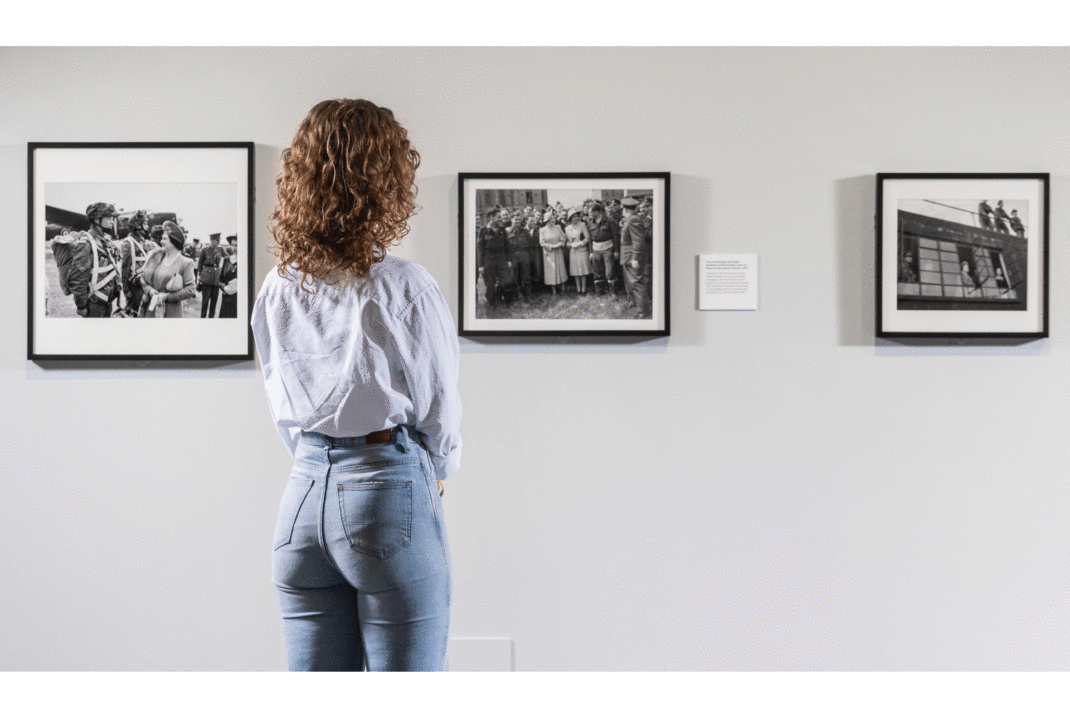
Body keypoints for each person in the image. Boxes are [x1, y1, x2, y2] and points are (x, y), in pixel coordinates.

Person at [252, 98, 459, 672]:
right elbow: (436, 403)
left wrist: (317, 458)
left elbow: (280, 395)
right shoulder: (404, 285)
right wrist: (438, 468)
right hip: (384, 488)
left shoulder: (278, 286)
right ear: (387, 180)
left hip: (301, 497)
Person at [62, 202, 124, 318]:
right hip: (94, 306)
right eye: (109, 218)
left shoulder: (103, 241)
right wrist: (81, 306)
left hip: (106, 303)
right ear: (96, 219)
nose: (112, 221)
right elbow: (78, 279)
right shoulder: (86, 243)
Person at [139, 221, 197, 318]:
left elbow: (190, 289)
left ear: (174, 243)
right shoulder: (156, 257)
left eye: (165, 239)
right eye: (161, 238)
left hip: (171, 313)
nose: (161, 241)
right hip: (151, 310)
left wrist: (167, 297)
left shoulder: (186, 263)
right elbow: (143, 278)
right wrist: (150, 291)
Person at [619, 197, 651, 318]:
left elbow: (638, 241)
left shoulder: (633, 220)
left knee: (637, 283)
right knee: (631, 283)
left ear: (625, 209)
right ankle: (636, 306)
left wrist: (635, 258)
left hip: (632, 256)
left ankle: (643, 310)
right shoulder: (631, 219)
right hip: (628, 255)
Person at [476, 209, 514, 307]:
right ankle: (492, 303)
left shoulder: (502, 230)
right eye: (498, 217)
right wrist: (480, 265)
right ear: (491, 217)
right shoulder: (483, 230)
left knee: (507, 281)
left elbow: (507, 246)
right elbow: (479, 248)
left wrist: (509, 260)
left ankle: (508, 303)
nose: (500, 219)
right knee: (490, 283)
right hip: (489, 259)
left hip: (501, 258)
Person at [120, 210, 151, 317]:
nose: (147, 226)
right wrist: (126, 290)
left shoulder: (143, 242)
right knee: (134, 315)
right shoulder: (128, 243)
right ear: (137, 225)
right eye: (145, 223)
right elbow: (124, 269)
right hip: (134, 288)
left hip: (144, 286)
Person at [586, 202, 619, 296]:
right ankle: (600, 291)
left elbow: (615, 236)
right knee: (597, 271)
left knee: (610, 270)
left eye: (591, 212)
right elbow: (590, 239)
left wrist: (616, 251)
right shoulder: (590, 223)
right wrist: (591, 252)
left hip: (608, 248)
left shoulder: (609, 220)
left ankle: (613, 292)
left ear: (597, 212)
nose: (589, 214)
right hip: (596, 249)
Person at [539, 208, 568, 295]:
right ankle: (554, 290)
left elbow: (563, 237)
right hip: (549, 253)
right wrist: (552, 246)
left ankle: (563, 288)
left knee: (561, 269)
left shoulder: (558, 227)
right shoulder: (542, 230)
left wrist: (560, 244)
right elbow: (542, 242)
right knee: (551, 270)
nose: (553, 220)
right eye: (551, 219)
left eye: (554, 219)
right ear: (547, 220)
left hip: (558, 251)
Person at [198, 233, 226, 318]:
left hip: (216, 279)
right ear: (211, 240)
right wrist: (201, 276)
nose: (218, 241)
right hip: (206, 279)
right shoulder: (204, 250)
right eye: (217, 240)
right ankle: (203, 318)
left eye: (219, 240)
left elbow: (228, 258)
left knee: (214, 302)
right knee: (205, 302)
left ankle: (211, 318)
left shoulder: (220, 249)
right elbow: (200, 264)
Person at [564, 207, 591, 294]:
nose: (576, 218)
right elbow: (567, 241)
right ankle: (578, 288)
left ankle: (584, 288)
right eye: (574, 216)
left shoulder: (582, 225)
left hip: (582, 250)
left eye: (577, 216)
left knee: (582, 271)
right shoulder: (567, 228)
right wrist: (569, 244)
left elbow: (587, 238)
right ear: (570, 218)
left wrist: (580, 243)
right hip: (573, 251)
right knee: (575, 271)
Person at [217, 240, 239, 318]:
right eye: (233, 245)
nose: (235, 248)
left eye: (237, 245)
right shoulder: (227, 260)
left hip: (239, 302)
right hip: (226, 300)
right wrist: (224, 287)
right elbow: (220, 280)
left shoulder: (248, 262)